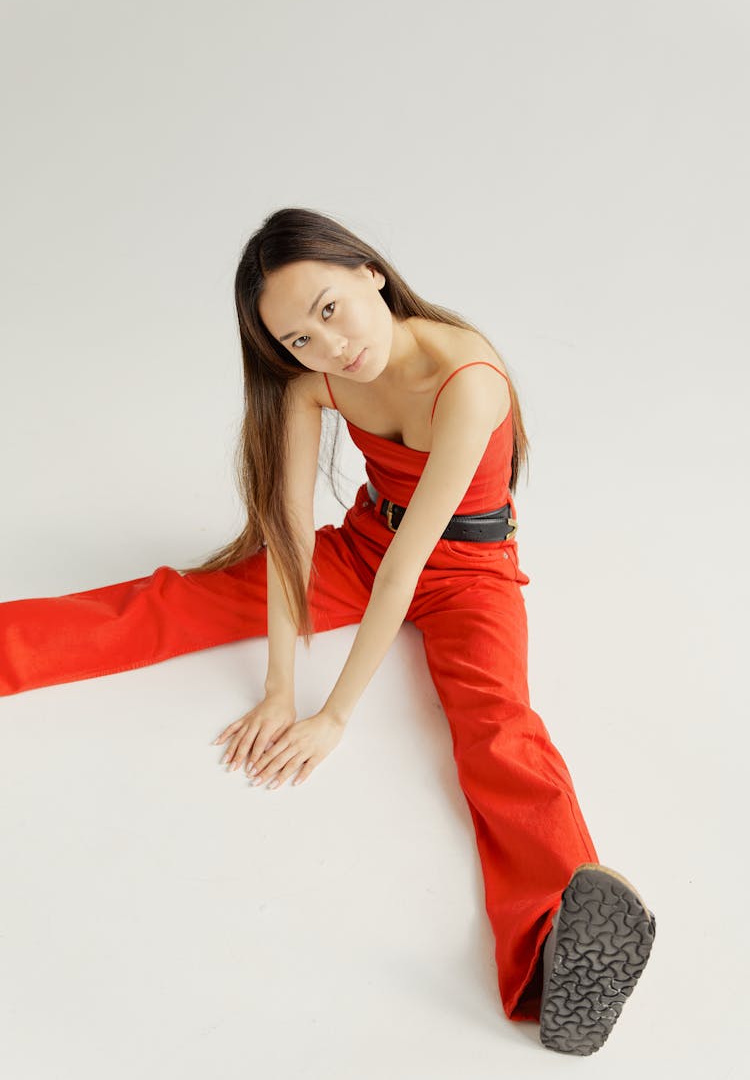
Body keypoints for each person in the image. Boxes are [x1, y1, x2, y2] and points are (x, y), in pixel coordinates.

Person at [0, 206, 655, 1055]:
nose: (327, 345)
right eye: (298, 340)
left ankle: (557, 940)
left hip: (469, 574)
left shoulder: (472, 381)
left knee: (498, 730)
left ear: (368, 272)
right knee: (180, 600)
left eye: (328, 309)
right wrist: (279, 684)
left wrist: (332, 714)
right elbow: (290, 534)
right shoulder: (317, 384)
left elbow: (411, 570)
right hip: (365, 542)